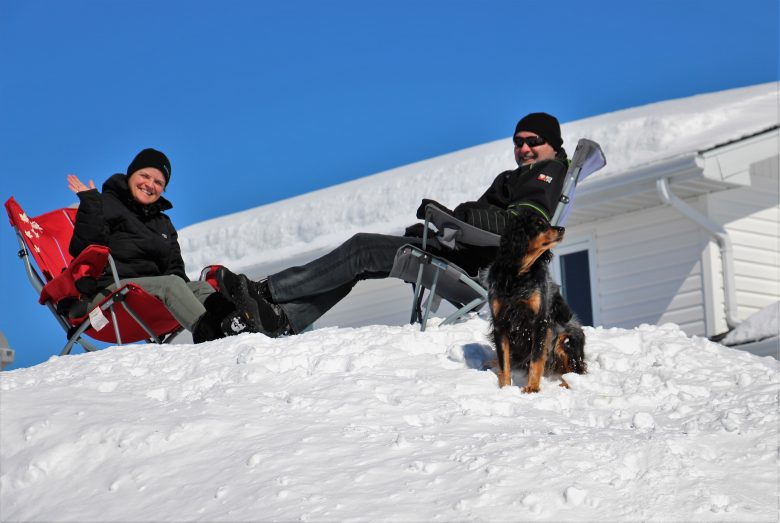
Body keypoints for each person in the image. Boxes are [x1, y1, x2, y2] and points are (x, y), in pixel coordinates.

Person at [217, 112, 570, 338]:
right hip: (463, 255)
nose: (523, 148)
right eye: (518, 142)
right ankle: (281, 319)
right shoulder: (518, 176)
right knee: (364, 258)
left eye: (533, 141)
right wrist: (436, 228)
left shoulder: (547, 173)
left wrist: (455, 217)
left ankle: (267, 292)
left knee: (363, 249)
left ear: (552, 145)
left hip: (481, 269)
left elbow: (525, 227)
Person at [67, 148, 256, 343]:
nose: (150, 185)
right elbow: (83, 248)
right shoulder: (104, 204)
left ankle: (239, 324)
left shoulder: (163, 223)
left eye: (159, 182)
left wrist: (187, 291)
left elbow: (175, 270)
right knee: (171, 284)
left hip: (149, 296)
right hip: (110, 295)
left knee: (199, 287)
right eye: (145, 176)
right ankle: (214, 337)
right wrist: (90, 205)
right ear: (131, 174)